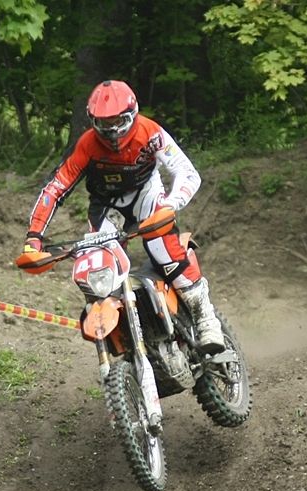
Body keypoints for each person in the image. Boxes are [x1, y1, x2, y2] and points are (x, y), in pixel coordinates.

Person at [18, 79, 224, 353]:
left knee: (165, 251)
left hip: (146, 195)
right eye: (105, 123)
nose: (112, 130)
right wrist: (34, 237)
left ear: (132, 114)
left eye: (117, 121)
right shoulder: (87, 145)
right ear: (93, 121)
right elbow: (55, 189)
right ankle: (125, 337)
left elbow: (187, 173)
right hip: (107, 206)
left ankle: (205, 316)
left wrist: (170, 205)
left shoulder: (150, 132)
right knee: (98, 272)